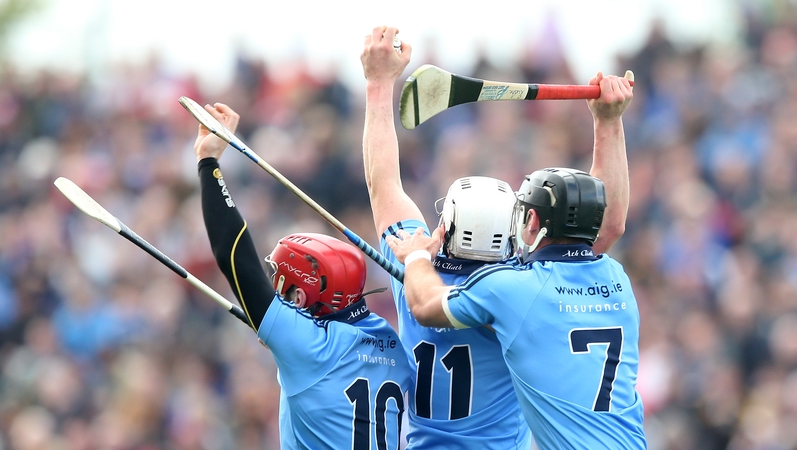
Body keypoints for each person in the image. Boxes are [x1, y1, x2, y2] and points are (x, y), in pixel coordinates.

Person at [360, 25, 635, 449]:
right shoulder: (523, 282)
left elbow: (384, 184)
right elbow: (604, 227)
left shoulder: (414, 263)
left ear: (445, 225)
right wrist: (608, 124)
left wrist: (378, 84)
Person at [193, 101, 411, 450]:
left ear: (302, 297)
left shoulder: (310, 347)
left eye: (284, 287)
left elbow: (232, 254)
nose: (277, 293)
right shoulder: (390, 341)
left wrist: (208, 162)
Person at [384, 168, 647, 449]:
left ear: (532, 220)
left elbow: (424, 305)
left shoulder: (513, 288)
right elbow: (612, 226)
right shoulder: (615, 276)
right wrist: (608, 124)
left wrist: (416, 257)